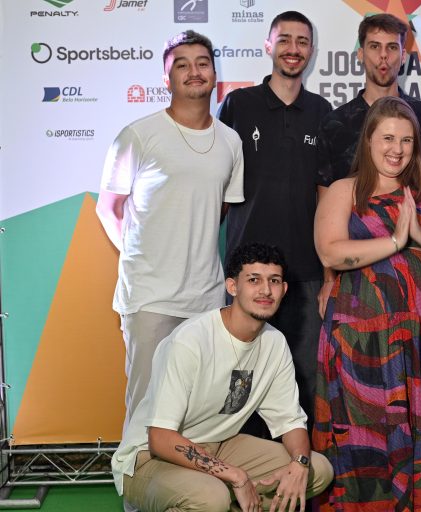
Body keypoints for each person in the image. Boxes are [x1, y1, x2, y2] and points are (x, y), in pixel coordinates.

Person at [312, 96, 421, 511]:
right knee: (362, 434)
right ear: (368, 140)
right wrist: (394, 241)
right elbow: (331, 252)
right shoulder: (345, 190)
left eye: (406, 140)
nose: (397, 149)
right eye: (387, 138)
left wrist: (418, 234)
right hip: (361, 342)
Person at [112, 242, 333, 512]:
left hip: (221, 444)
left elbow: (290, 422)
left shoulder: (275, 343)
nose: (265, 290)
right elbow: (159, 438)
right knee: (212, 498)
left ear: (284, 289)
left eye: (274, 281)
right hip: (149, 458)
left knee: (317, 469)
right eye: (254, 280)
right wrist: (235, 475)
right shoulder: (190, 340)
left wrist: (299, 464)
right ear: (232, 286)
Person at [96, 30, 244, 431]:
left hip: (206, 297)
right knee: (145, 409)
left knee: (197, 410)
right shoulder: (138, 135)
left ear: (214, 74)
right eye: (182, 65)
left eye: (202, 63)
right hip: (150, 297)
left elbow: (220, 209)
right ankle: (135, 476)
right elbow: (108, 208)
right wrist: (137, 257)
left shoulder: (230, 142)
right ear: (166, 78)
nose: (194, 71)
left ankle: (190, 476)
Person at [218, 11, 332, 432]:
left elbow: (327, 197)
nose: (293, 49)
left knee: (305, 382)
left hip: (305, 274)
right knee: (239, 383)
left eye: (302, 41)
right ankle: (242, 465)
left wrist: (330, 275)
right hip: (247, 273)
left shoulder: (322, 111)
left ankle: (300, 467)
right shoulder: (238, 105)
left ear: (312, 51)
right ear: (268, 46)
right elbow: (217, 186)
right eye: (284, 39)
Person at [316, 13, 421, 309]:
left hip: (420, 275)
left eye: (392, 47)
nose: (383, 56)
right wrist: (328, 278)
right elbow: (324, 202)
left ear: (403, 56)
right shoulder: (335, 123)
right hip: (356, 281)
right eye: (374, 46)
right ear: (360, 54)